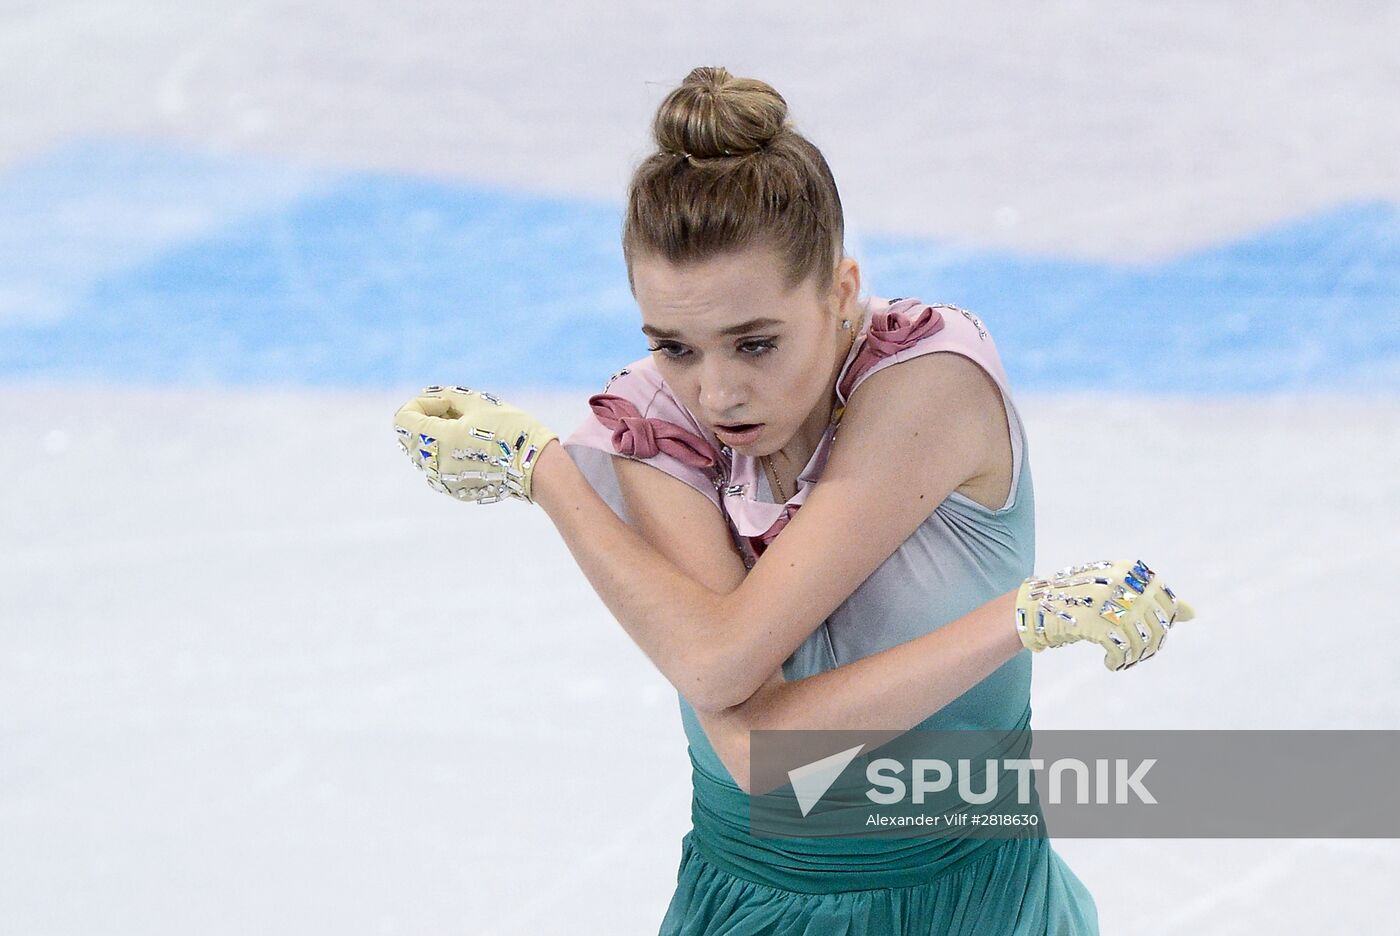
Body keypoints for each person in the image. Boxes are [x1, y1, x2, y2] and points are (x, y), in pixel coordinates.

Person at [392, 67, 1196, 935]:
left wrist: (546, 473)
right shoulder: (650, 417)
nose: (717, 393)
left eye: (755, 343)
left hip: (973, 898)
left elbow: (739, 690)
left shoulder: (929, 383)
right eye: (675, 345)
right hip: (746, 902)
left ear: (842, 293)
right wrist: (544, 470)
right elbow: (749, 735)